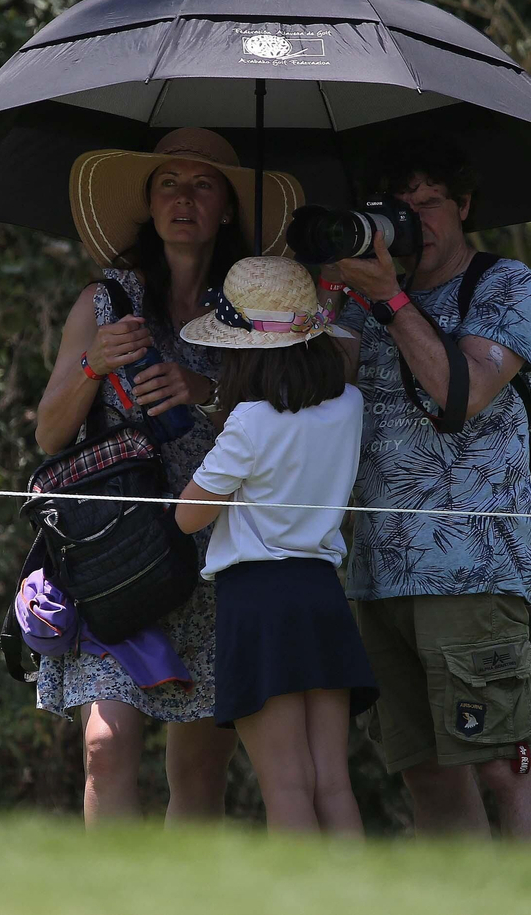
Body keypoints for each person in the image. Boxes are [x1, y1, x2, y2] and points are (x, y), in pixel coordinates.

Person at [33, 127, 305, 826]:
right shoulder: (103, 301)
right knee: (104, 744)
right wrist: (93, 366)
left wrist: (203, 390)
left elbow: (289, 430)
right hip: (115, 553)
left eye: (203, 185)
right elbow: (48, 433)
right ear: (149, 207)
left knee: (199, 764)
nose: (184, 199)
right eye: (168, 185)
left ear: (225, 210)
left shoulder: (254, 311)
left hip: (219, 551)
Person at [324, 137, 531, 839]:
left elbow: (456, 394)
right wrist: (312, 297)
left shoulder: (507, 287)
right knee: (426, 772)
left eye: (429, 204)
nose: (414, 221)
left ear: (464, 205)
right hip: (374, 572)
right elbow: (315, 394)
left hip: (473, 567)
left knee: (505, 762)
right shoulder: (361, 298)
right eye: (399, 207)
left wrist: (390, 299)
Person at [173, 256, 376, 835]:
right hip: (321, 594)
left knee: (286, 784)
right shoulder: (349, 407)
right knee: (331, 781)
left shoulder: (249, 422)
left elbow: (188, 516)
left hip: (259, 601)